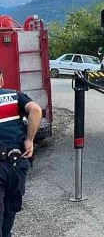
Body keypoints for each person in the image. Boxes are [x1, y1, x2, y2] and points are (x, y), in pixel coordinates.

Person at [0, 68, 41, 237]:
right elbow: (36, 110)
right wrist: (30, 140)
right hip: (16, 163)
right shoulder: (14, 96)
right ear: (1, 80)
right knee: (11, 207)